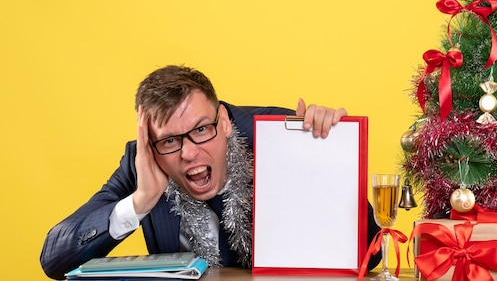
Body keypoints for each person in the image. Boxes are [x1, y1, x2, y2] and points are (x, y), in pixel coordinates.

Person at [40, 65, 381, 279]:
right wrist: (141, 201)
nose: (189, 152)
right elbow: (54, 259)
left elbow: (372, 251)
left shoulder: (283, 136)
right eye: (170, 140)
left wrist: (325, 157)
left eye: (202, 129)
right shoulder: (145, 162)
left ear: (225, 121)